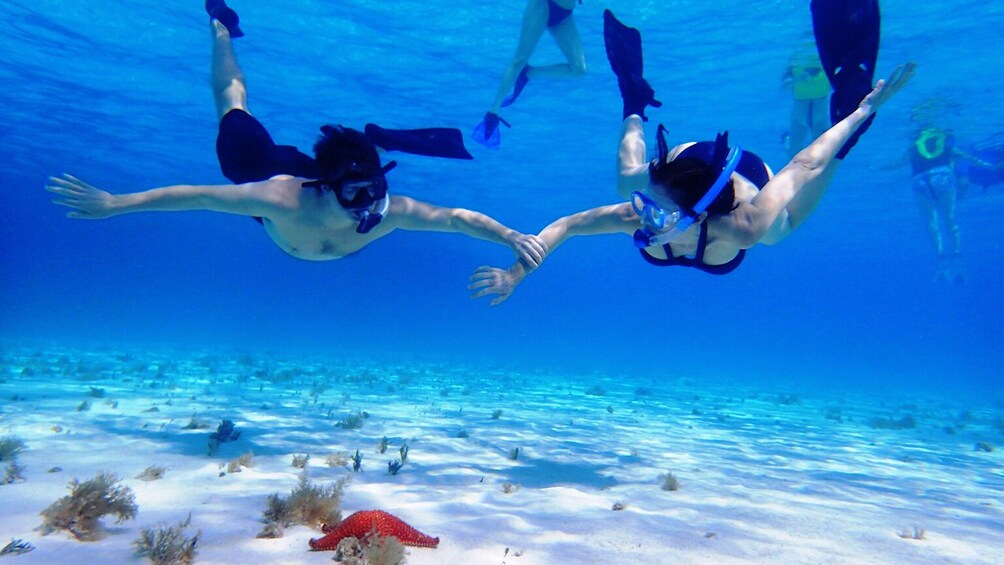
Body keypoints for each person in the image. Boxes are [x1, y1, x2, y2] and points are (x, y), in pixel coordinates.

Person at [469, 4, 915, 305]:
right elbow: (565, 226)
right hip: (686, 165)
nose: (640, 218)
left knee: (780, 229)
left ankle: (851, 114)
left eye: (654, 215)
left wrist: (858, 117)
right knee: (628, 178)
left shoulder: (742, 225)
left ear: (694, 220)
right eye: (646, 208)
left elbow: (803, 166)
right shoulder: (641, 212)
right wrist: (520, 270)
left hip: (743, 174)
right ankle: (634, 100)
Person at [46, 1, 547, 268]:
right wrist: (116, 203)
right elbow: (195, 196)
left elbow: (456, 220)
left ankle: (369, 142)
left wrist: (510, 236)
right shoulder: (279, 199)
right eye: (357, 194)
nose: (369, 205)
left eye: (375, 190)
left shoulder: (387, 208)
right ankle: (221, 25)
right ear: (329, 188)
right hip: (265, 165)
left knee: (357, 162)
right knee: (232, 105)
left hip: (327, 175)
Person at [875, 106, 999, 283]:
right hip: (942, 177)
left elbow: (897, 164)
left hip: (920, 182)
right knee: (949, 219)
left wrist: (878, 168)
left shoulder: (914, 146)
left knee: (931, 222)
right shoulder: (947, 144)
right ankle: (956, 252)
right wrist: (991, 167)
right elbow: (971, 159)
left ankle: (941, 256)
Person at [472, 0, 587, 148]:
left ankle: (529, 73)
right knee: (519, 59)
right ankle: (493, 112)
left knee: (578, 69)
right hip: (543, 4)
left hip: (564, 15)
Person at [781, 43, 831, 158]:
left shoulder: (826, 63)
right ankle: (787, 139)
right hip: (800, 108)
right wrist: (799, 78)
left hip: (821, 108)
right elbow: (783, 86)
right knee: (793, 153)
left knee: (823, 150)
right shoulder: (795, 65)